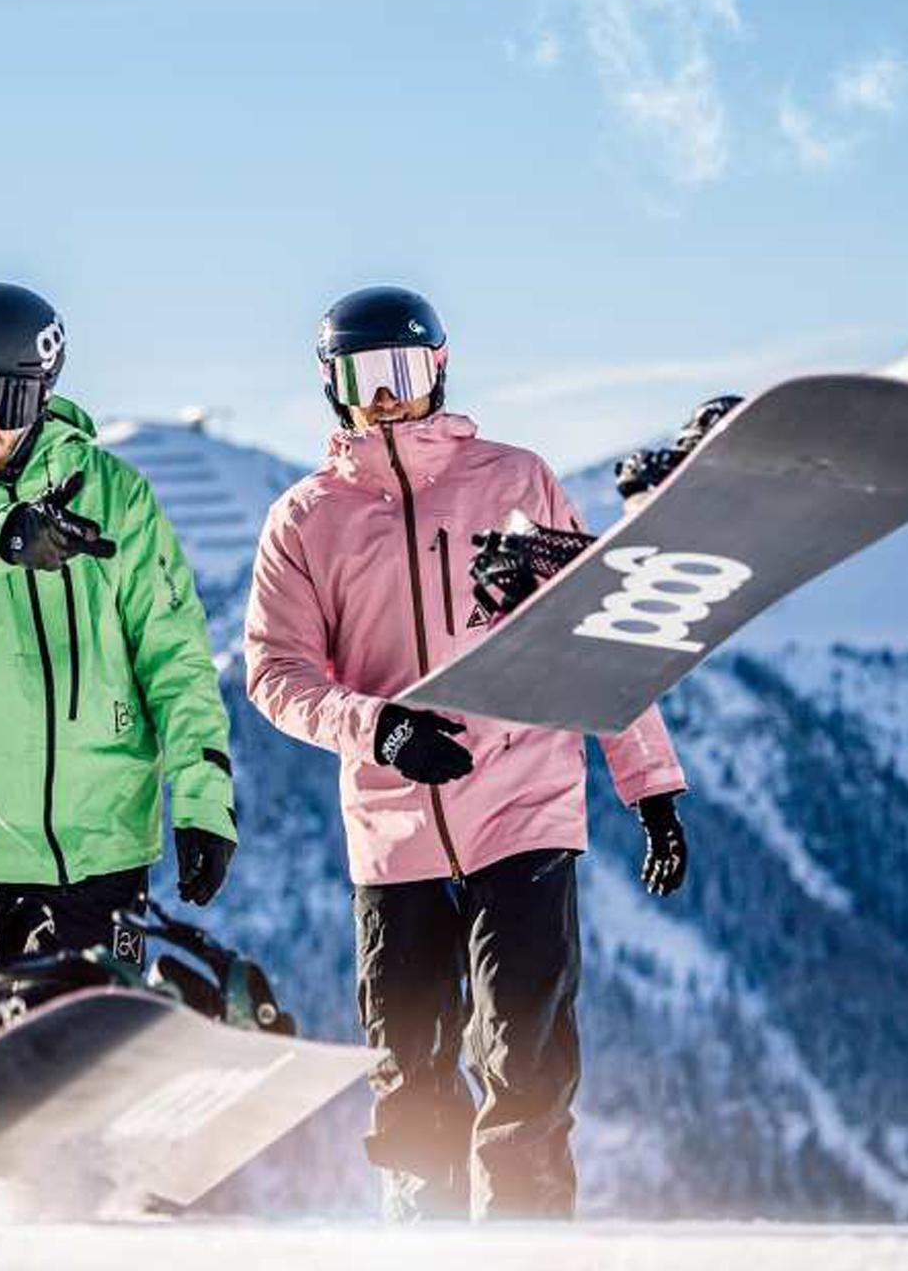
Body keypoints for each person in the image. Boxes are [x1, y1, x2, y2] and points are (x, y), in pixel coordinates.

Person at [243, 285, 689, 1222]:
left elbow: (595, 637)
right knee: (410, 1068)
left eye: (402, 370)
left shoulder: (516, 479)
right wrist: (380, 729)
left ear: (438, 370)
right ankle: (424, 1237)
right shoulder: (306, 518)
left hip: (524, 806)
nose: (385, 396)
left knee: (525, 1058)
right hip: (392, 830)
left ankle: (527, 1242)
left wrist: (649, 785)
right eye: (363, 377)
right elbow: (277, 675)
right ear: (332, 386)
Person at [0, 283, 237, 1035]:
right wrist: (0, 538)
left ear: (44, 397)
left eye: (10, 400)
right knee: (13, 1035)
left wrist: (202, 800)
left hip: (104, 835)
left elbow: (176, 657)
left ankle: (170, 1042)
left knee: (89, 1025)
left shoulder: (114, 495)